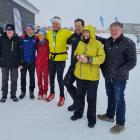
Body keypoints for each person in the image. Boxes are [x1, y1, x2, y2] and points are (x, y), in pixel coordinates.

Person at [97, 22, 137, 134]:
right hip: (108, 75)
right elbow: (103, 44)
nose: (113, 32)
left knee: (119, 99)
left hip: (120, 78)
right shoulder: (109, 41)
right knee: (110, 96)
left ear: (121, 30)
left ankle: (120, 123)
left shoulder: (128, 43)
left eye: (116, 30)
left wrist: (119, 71)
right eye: (112, 30)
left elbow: (132, 62)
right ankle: (110, 115)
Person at [70, 25, 105, 128]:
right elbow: (75, 53)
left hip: (92, 78)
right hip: (79, 75)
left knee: (91, 99)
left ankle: (91, 118)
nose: (85, 34)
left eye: (87, 32)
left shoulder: (97, 44)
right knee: (80, 96)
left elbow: (101, 58)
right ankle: (78, 113)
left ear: (92, 33)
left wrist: (89, 60)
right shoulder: (80, 42)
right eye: (84, 32)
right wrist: (77, 56)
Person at [46, 16, 72, 106]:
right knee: (51, 77)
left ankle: (62, 96)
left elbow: (74, 37)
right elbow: (40, 38)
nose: (55, 25)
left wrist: (68, 45)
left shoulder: (65, 32)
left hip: (61, 59)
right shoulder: (49, 33)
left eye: (57, 23)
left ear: (60, 24)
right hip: (51, 58)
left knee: (59, 78)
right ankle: (52, 93)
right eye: (53, 23)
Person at [64, 18, 85, 111]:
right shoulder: (72, 36)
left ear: (83, 26)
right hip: (73, 65)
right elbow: (66, 43)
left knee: (80, 89)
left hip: (82, 66)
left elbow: (100, 41)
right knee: (66, 82)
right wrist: (65, 48)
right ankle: (77, 102)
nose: (77, 28)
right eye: (75, 26)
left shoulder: (87, 36)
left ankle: (79, 106)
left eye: (79, 26)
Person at [0, 24, 22, 103]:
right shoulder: (2, 38)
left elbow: (20, 52)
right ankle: (4, 95)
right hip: (4, 63)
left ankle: (13, 95)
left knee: (14, 80)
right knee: (4, 80)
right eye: (7, 30)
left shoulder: (17, 39)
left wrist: (20, 63)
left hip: (14, 63)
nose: (9, 32)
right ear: (5, 31)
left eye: (11, 31)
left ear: (13, 31)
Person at [19, 24, 38, 100]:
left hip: (32, 61)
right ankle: (23, 91)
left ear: (33, 30)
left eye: (30, 29)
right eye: (27, 29)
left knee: (32, 77)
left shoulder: (36, 38)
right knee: (22, 78)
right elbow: (18, 49)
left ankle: (31, 91)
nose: (28, 30)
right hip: (23, 62)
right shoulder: (22, 37)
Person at [36, 28, 49, 100]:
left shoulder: (47, 43)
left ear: (44, 36)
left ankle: (45, 92)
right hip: (38, 63)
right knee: (39, 78)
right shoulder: (37, 43)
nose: (40, 36)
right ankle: (40, 92)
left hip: (45, 64)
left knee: (46, 78)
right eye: (39, 35)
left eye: (42, 35)